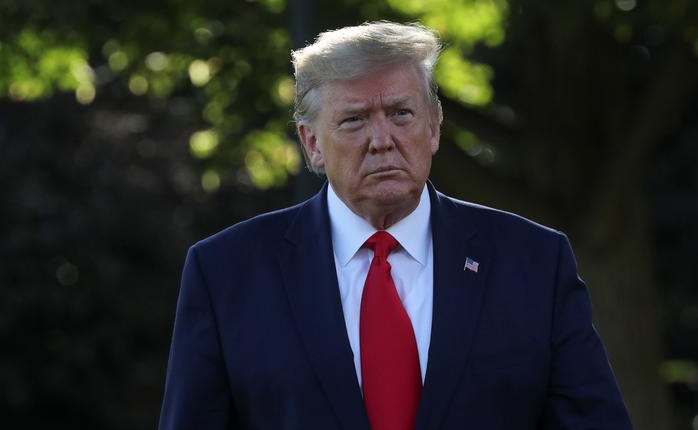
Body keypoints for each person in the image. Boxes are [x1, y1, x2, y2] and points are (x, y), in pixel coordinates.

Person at [158, 21, 633, 430]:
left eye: (401, 114)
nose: (382, 140)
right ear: (312, 144)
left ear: (434, 127)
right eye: (354, 120)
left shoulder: (533, 262)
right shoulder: (226, 273)